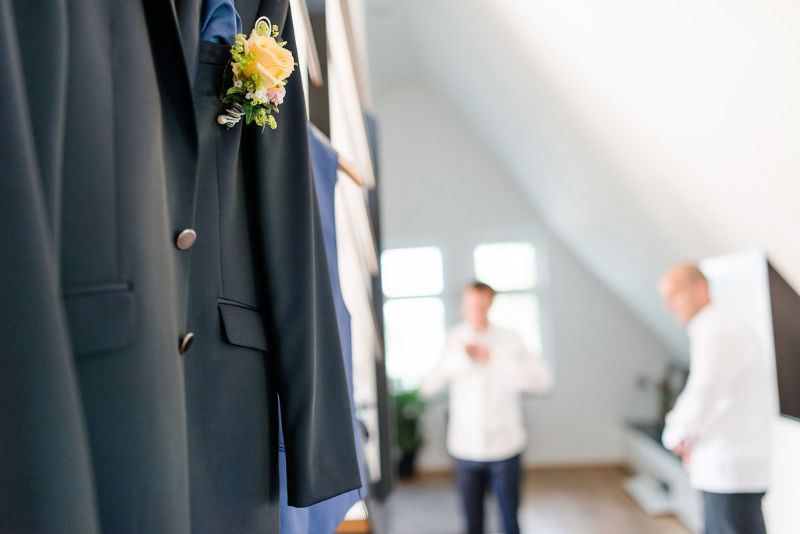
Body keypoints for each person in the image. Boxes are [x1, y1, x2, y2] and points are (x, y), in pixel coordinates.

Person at [421, 281, 553, 534]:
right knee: (472, 523)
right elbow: (428, 386)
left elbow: (544, 382)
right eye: (471, 304)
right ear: (463, 305)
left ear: (490, 303)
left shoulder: (510, 340)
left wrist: (497, 359)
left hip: (505, 446)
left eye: (482, 304)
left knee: (509, 519)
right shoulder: (453, 339)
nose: (476, 310)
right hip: (464, 448)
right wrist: (463, 358)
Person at [659, 264, 772, 534]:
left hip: (730, 470)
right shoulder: (717, 328)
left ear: (700, 289)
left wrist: (673, 435)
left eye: (675, 294)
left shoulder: (716, 330)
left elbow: (703, 392)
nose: (669, 304)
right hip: (725, 467)